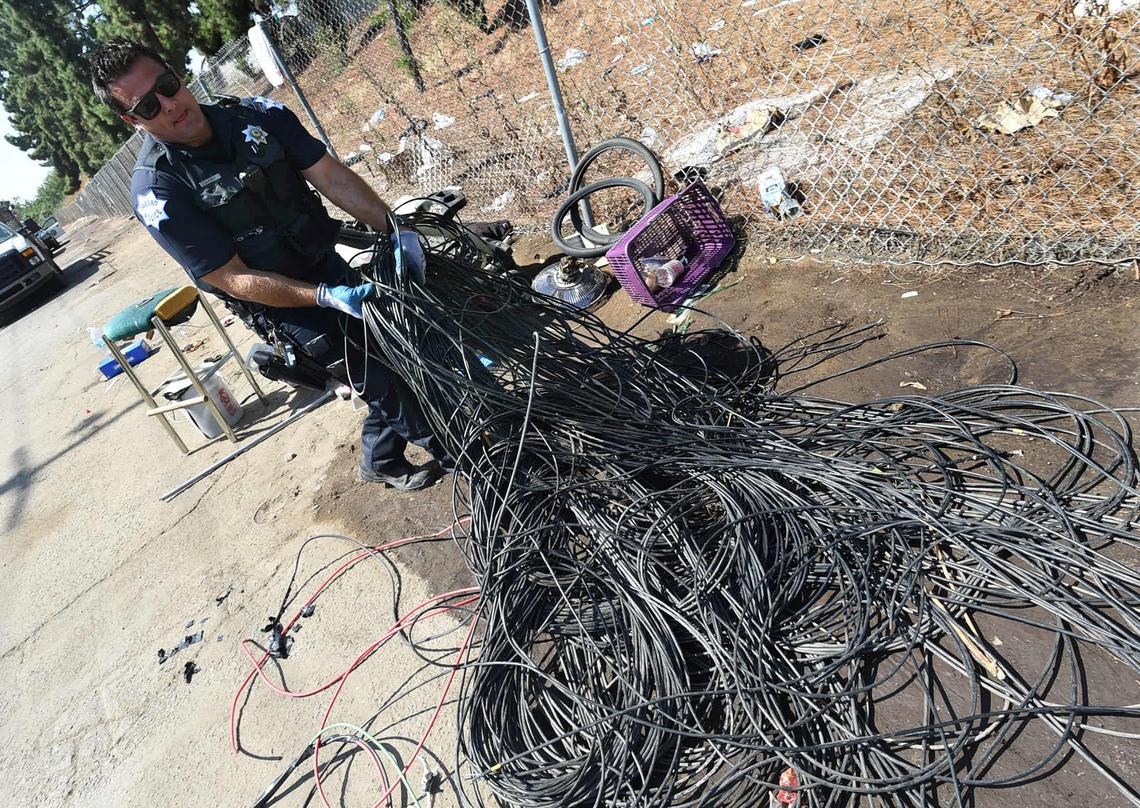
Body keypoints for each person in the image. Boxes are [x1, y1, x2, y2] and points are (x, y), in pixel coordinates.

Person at [88, 38, 448, 491]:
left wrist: (395, 231)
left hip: (324, 260)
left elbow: (329, 175)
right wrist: (323, 298)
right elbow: (231, 277)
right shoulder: (159, 191)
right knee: (387, 385)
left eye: (167, 85)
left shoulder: (254, 116)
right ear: (132, 121)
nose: (169, 105)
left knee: (397, 355)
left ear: (176, 73)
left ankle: (379, 459)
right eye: (147, 106)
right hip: (279, 303)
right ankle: (482, 466)